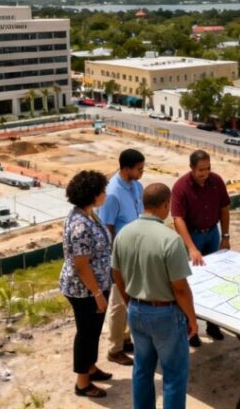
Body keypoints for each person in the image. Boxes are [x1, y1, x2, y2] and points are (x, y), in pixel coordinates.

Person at [112, 183, 198, 409]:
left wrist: (129, 301)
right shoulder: (170, 239)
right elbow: (180, 288)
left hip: (136, 310)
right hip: (165, 314)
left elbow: (116, 273)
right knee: (174, 375)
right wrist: (192, 318)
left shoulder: (123, 234)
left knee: (142, 369)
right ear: (166, 204)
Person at [58, 170, 113, 398]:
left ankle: (90, 367)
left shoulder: (88, 214)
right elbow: (81, 266)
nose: (105, 194)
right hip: (84, 290)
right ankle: (82, 383)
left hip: (94, 286)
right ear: (93, 195)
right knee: (86, 333)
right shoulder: (81, 226)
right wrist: (97, 293)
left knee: (93, 330)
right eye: (102, 191)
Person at [171, 150, 230, 347]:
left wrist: (226, 236)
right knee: (191, 284)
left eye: (208, 169)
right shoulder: (181, 187)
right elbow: (178, 219)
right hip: (192, 236)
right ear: (192, 168)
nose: (205, 173)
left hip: (212, 234)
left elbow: (224, 209)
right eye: (201, 170)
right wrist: (192, 248)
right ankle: (191, 329)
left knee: (216, 280)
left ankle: (213, 326)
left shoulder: (217, 181)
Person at [102, 148, 146, 366]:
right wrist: (116, 259)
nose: (142, 172)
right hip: (122, 256)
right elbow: (108, 228)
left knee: (133, 298)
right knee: (119, 303)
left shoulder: (136, 186)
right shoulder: (112, 193)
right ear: (126, 169)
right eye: (139, 169)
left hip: (137, 251)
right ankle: (115, 348)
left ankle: (126, 338)